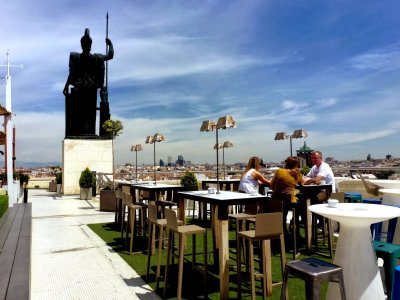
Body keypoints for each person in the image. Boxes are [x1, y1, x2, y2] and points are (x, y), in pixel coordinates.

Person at [63, 28, 114, 137]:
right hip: (91, 87)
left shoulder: (76, 57)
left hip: (81, 87)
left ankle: (83, 131)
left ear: (82, 45)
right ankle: (87, 131)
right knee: (89, 111)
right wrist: (110, 44)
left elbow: (72, 74)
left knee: (81, 111)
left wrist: (66, 85)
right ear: (90, 45)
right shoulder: (97, 57)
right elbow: (110, 55)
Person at [270, 156, 306, 245]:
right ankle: (296, 225)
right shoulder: (297, 173)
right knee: (302, 205)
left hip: (276, 200)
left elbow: (271, 185)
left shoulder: (279, 171)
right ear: (296, 164)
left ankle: (285, 232)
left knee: (283, 213)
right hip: (289, 200)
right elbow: (302, 183)